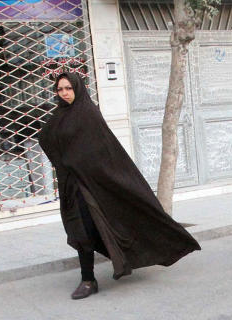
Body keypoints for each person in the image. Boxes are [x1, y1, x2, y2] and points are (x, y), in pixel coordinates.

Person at [39, 73, 200, 299]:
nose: (64, 93)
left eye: (68, 88)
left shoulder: (88, 114)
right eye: (60, 89)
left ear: (78, 89)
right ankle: (99, 271)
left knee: (86, 229)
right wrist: (64, 163)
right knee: (81, 229)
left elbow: (100, 150)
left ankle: (88, 280)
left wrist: (75, 162)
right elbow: (46, 138)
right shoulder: (60, 115)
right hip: (72, 185)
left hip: (93, 185)